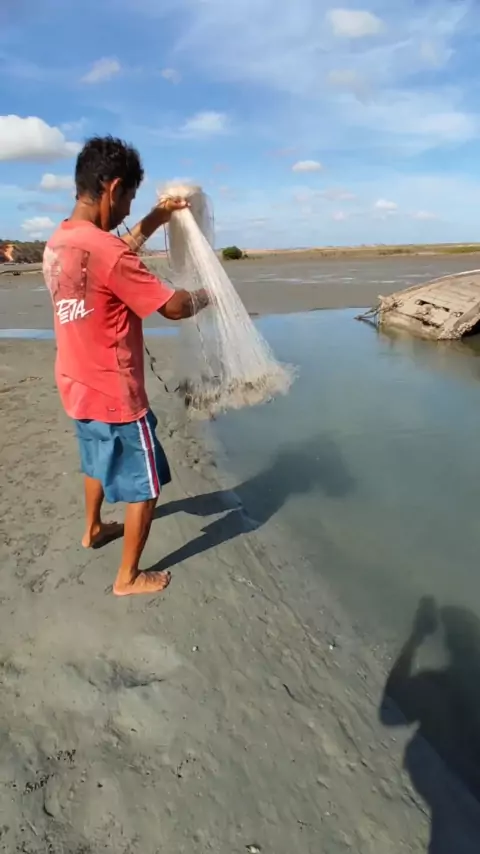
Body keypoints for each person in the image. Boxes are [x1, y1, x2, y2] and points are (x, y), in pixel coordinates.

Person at [43, 135, 210, 596]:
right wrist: (210, 294)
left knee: (96, 459)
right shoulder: (107, 252)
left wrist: (156, 217)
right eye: (130, 199)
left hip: (76, 383)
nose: (127, 210)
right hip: (116, 393)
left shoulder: (60, 242)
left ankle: (93, 528)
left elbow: (112, 254)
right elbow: (173, 307)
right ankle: (128, 577)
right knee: (146, 485)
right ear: (113, 188)